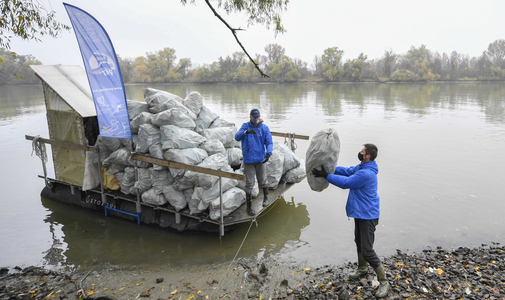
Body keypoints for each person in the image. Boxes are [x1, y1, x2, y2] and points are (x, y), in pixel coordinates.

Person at [311, 143, 390, 298]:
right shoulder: (363, 167)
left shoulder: (366, 174)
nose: (360, 153)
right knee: (359, 242)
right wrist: (330, 168)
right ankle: (362, 269)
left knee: (367, 250)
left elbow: (346, 183)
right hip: (361, 213)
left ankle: (384, 281)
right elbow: (347, 171)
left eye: (362, 151)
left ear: (367, 156)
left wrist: (326, 176)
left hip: (368, 215)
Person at [234, 109, 273, 216]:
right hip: (249, 160)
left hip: (261, 159)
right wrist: (246, 132)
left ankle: (266, 198)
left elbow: (269, 142)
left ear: (259, 117)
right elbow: (237, 137)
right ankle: (249, 207)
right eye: (254, 117)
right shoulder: (245, 126)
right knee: (249, 183)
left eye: (257, 117)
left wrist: (269, 153)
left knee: (263, 180)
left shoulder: (264, 128)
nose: (256, 120)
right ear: (250, 117)